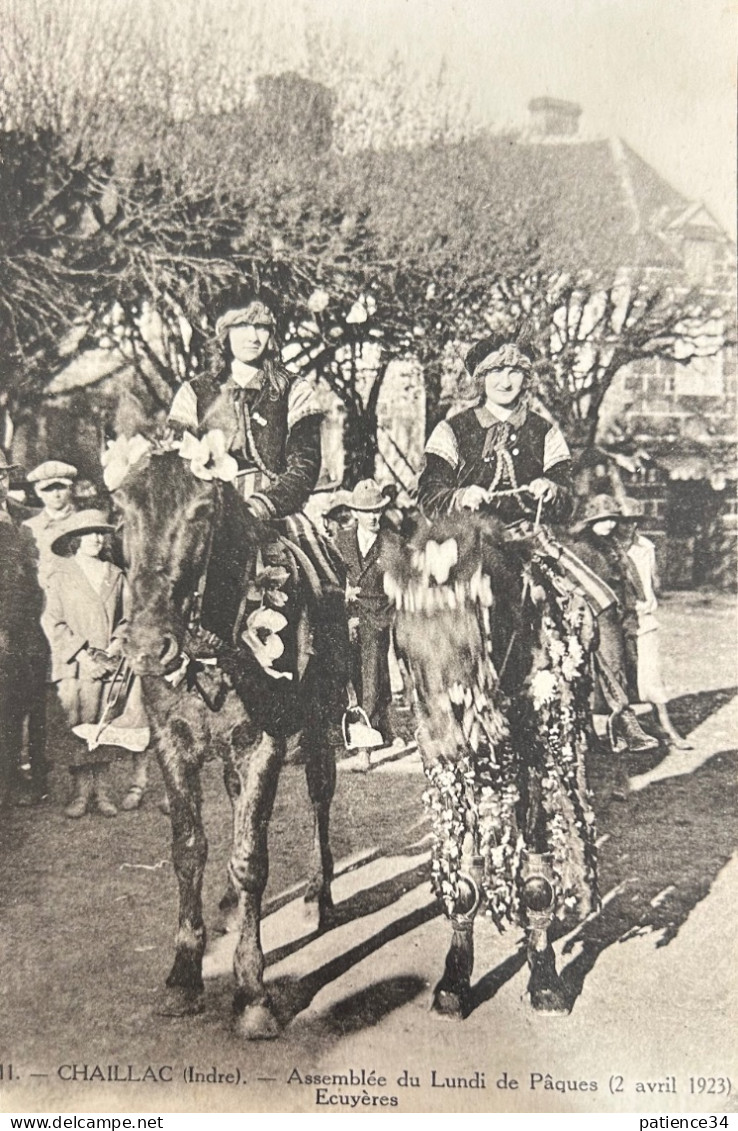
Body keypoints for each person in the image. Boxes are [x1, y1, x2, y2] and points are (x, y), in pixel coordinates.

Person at [168, 299, 322, 520]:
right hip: (208, 514)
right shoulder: (194, 393)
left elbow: (305, 466)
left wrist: (262, 506)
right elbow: (177, 465)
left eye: (262, 327)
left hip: (277, 513)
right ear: (225, 332)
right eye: (242, 326)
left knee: (313, 551)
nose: (253, 337)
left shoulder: (294, 390)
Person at [42, 510, 148, 819]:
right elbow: (54, 622)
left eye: (101, 533)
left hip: (108, 664)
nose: (97, 539)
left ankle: (101, 792)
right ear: (75, 540)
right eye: (89, 534)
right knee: (77, 725)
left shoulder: (116, 575)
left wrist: (114, 647)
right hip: (76, 666)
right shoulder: (61, 576)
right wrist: (84, 656)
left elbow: (127, 618)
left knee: (102, 726)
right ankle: (80, 792)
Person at [418, 333, 573, 525]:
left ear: (525, 378)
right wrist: (461, 497)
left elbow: (570, 499)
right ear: (482, 376)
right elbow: (428, 497)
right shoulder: (450, 430)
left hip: (532, 539)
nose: (506, 383)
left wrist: (552, 489)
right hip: (469, 539)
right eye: (497, 371)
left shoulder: (546, 432)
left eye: (514, 372)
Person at [571, 495, 659, 756]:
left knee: (618, 668)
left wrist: (630, 617)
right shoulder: (581, 549)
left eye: (612, 519)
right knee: (591, 672)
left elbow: (627, 585)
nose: (609, 524)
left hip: (617, 615)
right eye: (602, 520)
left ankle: (617, 728)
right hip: (592, 615)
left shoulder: (614, 546)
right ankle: (614, 726)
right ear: (590, 521)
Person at [333, 479, 405, 771]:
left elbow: (399, 585)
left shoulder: (391, 542)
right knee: (354, 676)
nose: (374, 516)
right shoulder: (341, 541)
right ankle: (385, 730)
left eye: (378, 510)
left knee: (370, 677)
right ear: (355, 513)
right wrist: (342, 594)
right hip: (346, 617)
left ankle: (365, 750)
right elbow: (332, 578)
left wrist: (386, 613)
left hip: (377, 617)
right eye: (367, 511)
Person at [620, 504, 692, 749]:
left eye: (633, 521)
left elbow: (653, 583)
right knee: (615, 675)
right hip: (618, 620)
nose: (628, 526)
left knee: (651, 673)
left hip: (644, 618)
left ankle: (665, 725)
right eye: (623, 521)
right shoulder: (605, 549)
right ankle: (621, 729)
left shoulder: (646, 548)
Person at [23, 460, 78, 586]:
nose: (56, 494)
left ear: (70, 488)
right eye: (48, 489)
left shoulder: (85, 523)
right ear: (38, 492)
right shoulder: (29, 528)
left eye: (61, 487)